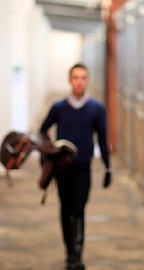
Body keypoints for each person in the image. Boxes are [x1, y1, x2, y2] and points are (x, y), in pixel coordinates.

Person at [39, 63, 111, 270]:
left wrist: (107, 167)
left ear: (87, 80)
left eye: (83, 77)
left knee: (79, 209)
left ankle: (77, 257)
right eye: (76, 77)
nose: (79, 81)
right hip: (62, 168)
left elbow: (103, 139)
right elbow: (43, 131)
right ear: (70, 80)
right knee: (65, 209)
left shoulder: (96, 108)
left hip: (83, 167)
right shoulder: (58, 107)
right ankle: (69, 253)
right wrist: (50, 152)